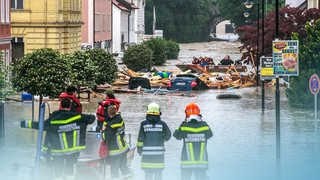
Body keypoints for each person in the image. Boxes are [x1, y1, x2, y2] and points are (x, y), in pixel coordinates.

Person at [20, 98, 95, 180]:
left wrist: (24, 123)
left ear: (60, 105)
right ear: (70, 106)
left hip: (58, 150)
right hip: (73, 150)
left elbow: (40, 125)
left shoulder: (54, 118)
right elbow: (92, 118)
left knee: (58, 170)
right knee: (70, 168)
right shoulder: (79, 117)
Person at [173, 102, 213, 180]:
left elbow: (176, 136)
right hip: (201, 162)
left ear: (187, 113)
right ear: (198, 112)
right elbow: (210, 135)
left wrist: (182, 123)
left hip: (186, 162)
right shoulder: (204, 125)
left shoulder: (184, 126)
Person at [137, 102, 171, 180]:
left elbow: (140, 138)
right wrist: (162, 139)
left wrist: (139, 149)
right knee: (158, 174)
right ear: (158, 112)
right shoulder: (162, 124)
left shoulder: (143, 124)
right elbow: (168, 135)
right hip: (159, 155)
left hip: (146, 155)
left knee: (148, 175)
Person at [102, 105, 131, 179]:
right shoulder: (120, 119)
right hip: (123, 148)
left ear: (108, 113)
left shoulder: (110, 126)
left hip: (115, 150)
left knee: (114, 171)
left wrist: (103, 130)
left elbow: (105, 137)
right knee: (124, 167)